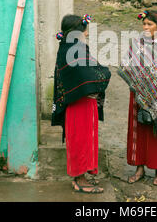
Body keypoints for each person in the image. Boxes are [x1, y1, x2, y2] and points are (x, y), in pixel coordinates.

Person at [51, 14, 111, 194]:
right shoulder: (75, 49)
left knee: (84, 140)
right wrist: (104, 73)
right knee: (80, 141)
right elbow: (87, 75)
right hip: (79, 105)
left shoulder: (68, 47)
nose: (86, 33)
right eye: (84, 30)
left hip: (82, 104)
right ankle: (79, 179)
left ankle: (81, 176)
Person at [118, 10, 157, 186]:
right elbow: (127, 64)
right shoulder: (137, 43)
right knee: (138, 130)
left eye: (149, 24)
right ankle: (139, 168)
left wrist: (156, 87)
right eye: (144, 24)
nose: (145, 27)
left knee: (156, 132)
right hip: (138, 94)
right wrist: (141, 82)